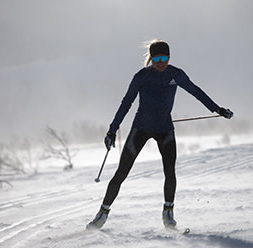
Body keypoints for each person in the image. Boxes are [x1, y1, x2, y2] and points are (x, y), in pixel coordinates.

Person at [87, 39, 233, 229]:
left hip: (164, 129)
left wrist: (217, 109)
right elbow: (126, 103)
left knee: (170, 172)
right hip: (140, 128)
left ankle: (168, 214)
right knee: (121, 172)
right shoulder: (141, 77)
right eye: (156, 58)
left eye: (164, 58)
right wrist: (112, 129)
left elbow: (196, 92)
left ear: (169, 57)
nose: (161, 62)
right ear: (151, 59)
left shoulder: (176, 74)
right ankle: (102, 214)